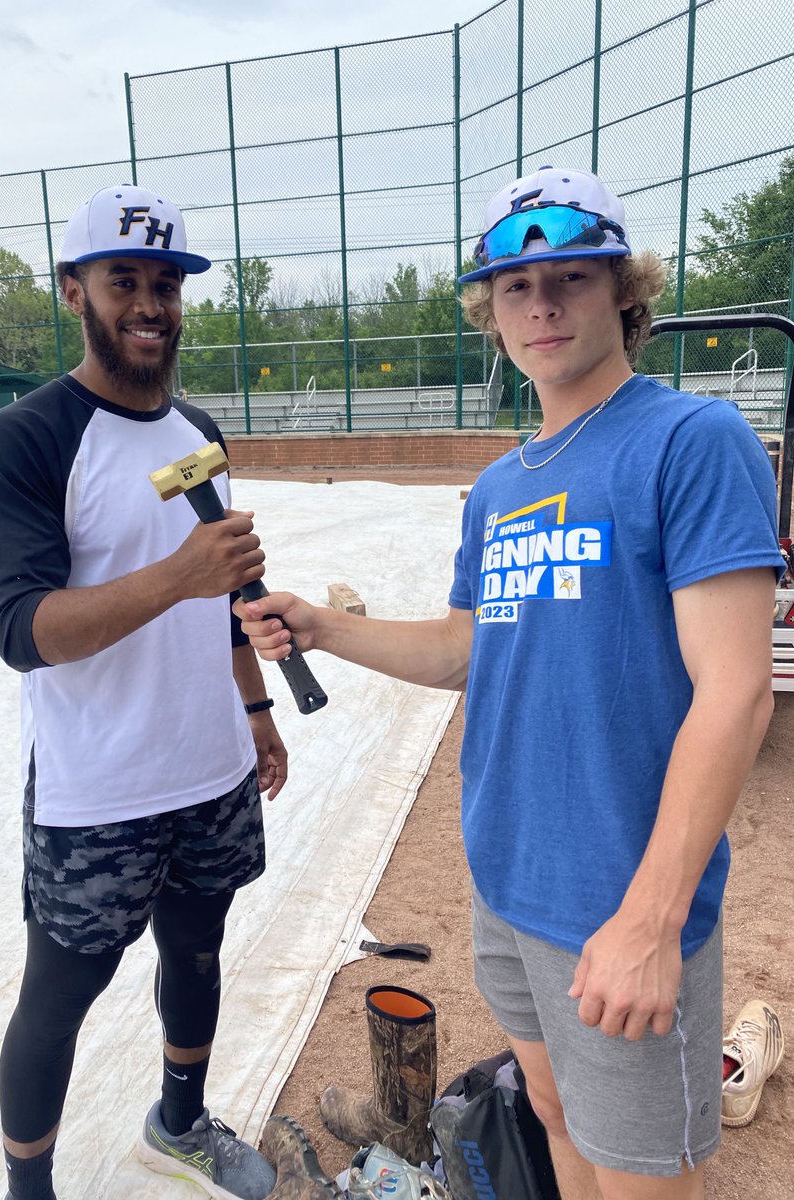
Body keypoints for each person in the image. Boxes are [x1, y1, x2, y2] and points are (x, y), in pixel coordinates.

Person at [236, 166, 786, 1200]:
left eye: (572, 278)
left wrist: (650, 920)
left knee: (642, 1174)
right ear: (489, 309)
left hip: (618, 896)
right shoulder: (500, 488)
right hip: (510, 886)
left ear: (624, 292)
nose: (542, 304)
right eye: (516, 286)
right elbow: (469, 646)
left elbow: (738, 693)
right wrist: (323, 626)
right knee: (556, 1117)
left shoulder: (689, 443)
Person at [0, 184, 285, 1200]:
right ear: (75, 291)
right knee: (60, 994)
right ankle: (30, 1188)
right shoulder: (22, 441)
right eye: (123, 281)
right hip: (96, 791)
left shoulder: (197, 430)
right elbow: (24, 631)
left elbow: (225, 592)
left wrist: (257, 711)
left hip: (213, 770)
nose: (150, 303)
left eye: (166, 283)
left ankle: (179, 1123)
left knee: (197, 953)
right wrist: (179, 574)